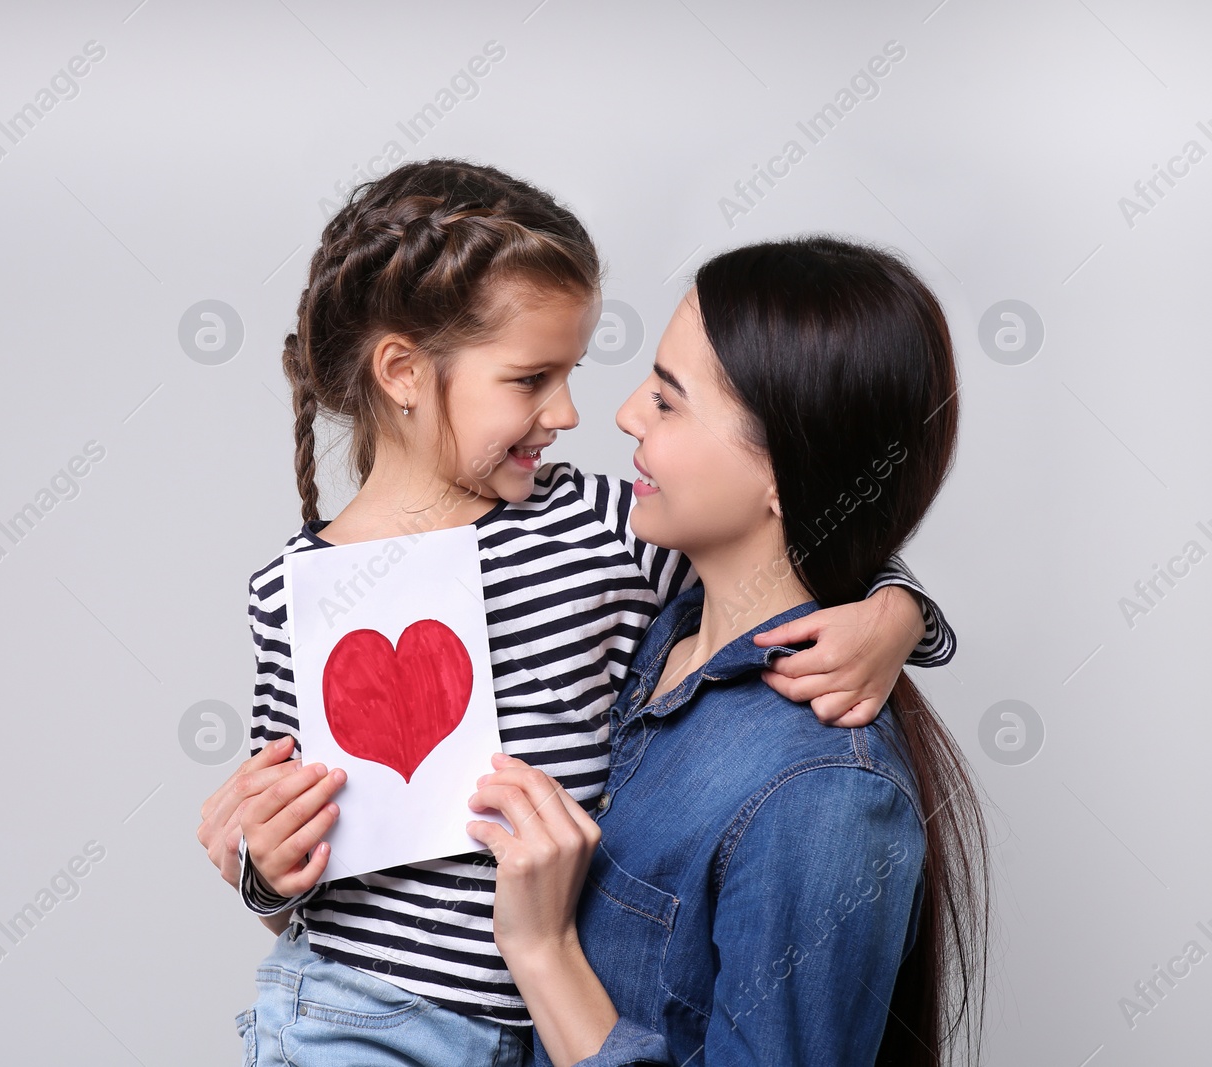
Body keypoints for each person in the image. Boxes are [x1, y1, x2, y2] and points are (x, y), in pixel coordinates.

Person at [195, 163, 956, 1066]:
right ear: (401, 370)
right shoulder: (294, 590)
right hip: (358, 1014)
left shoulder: (597, 529)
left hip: (533, 1027)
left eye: (576, 372)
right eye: (530, 378)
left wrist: (896, 608)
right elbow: (296, 841)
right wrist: (262, 869)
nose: (574, 411)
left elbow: (806, 533)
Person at [467, 236, 989, 1066]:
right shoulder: (649, 618)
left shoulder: (825, 790)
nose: (626, 412)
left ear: (783, 470)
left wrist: (544, 955)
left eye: (669, 401)